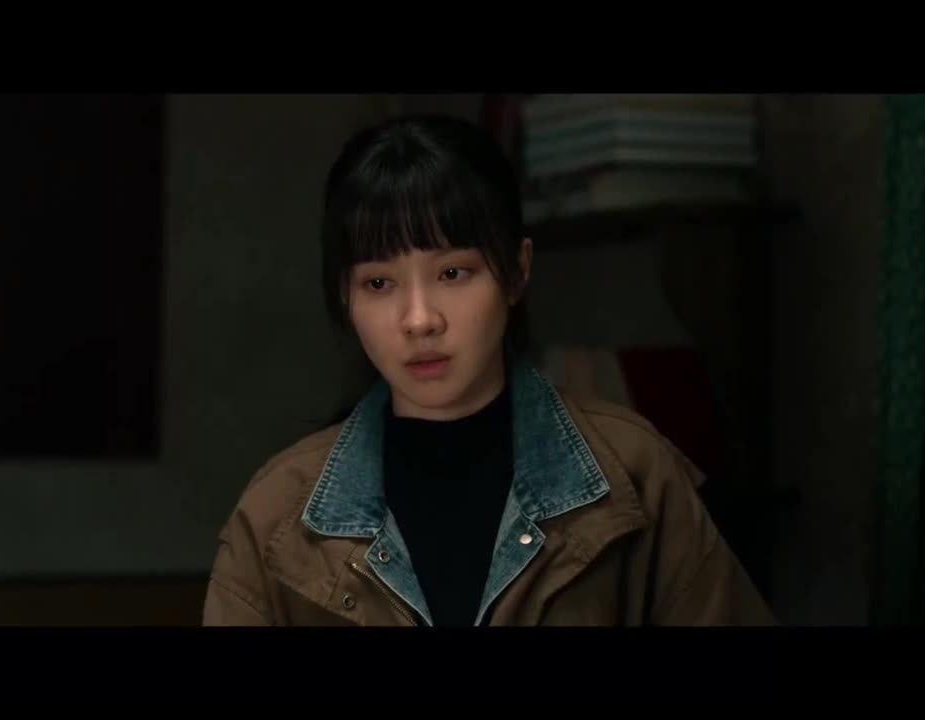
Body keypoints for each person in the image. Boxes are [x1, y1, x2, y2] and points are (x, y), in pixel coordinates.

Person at [202, 113, 775, 626]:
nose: (420, 320)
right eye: (379, 283)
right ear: (344, 297)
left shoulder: (633, 476)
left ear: (517, 271)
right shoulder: (277, 517)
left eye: (453, 273)